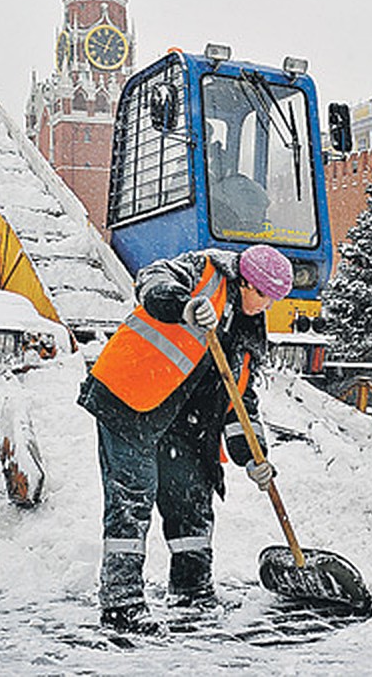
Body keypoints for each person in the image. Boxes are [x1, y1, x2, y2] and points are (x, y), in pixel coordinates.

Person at [78, 243, 294, 635]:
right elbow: (152, 280)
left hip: (180, 421)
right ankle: (121, 605)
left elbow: (239, 402)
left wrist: (255, 457)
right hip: (129, 399)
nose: (266, 306)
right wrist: (185, 306)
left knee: (192, 497)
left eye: (273, 300)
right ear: (245, 281)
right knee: (132, 498)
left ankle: (191, 591)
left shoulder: (246, 335)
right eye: (263, 296)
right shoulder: (203, 272)